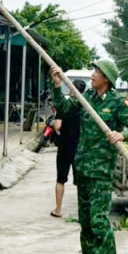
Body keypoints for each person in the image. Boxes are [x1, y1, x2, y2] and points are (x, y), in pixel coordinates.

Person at [50, 62, 128, 254]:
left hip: (101, 171)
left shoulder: (116, 103)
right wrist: (57, 85)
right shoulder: (88, 98)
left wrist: (122, 134)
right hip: (82, 167)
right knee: (85, 220)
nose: (92, 76)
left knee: (99, 220)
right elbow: (64, 108)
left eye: (97, 73)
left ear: (107, 78)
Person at [50, 79, 87, 218]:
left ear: (71, 89)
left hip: (64, 146)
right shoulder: (85, 106)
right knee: (81, 183)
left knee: (61, 179)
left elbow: (57, 126)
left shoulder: (64, 106)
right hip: (80, 148)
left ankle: (58, 210)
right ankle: (81, 213)